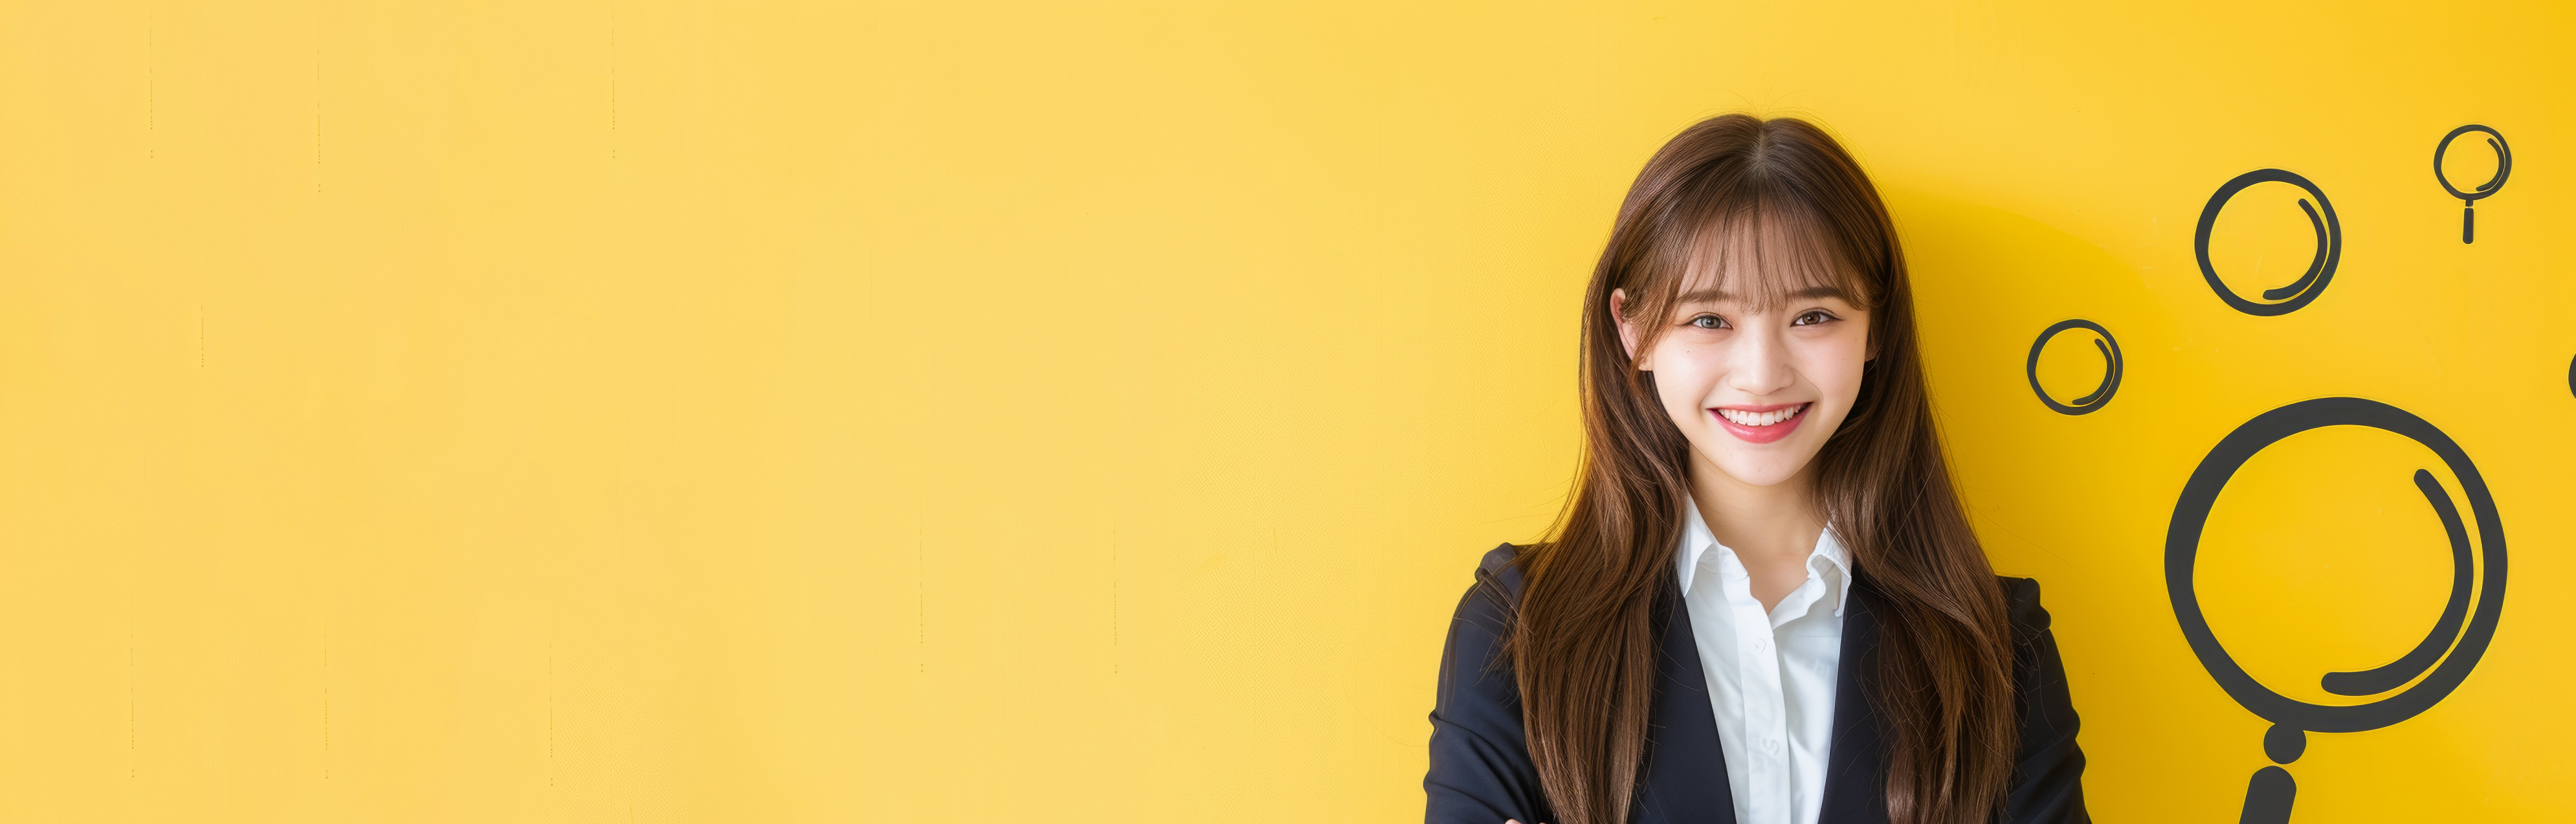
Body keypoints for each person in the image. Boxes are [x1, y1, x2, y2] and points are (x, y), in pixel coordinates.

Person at [1423, 115, 2087, 824]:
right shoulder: (1519, 629)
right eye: (1708, 320)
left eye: (1812, 316)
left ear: (1876, 327)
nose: (1762, 374)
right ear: (1632, 331)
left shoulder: (1995, 646)